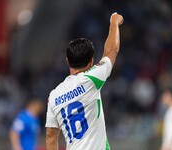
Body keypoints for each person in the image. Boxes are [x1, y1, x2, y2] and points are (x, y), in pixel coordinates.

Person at [45, 12, 123, 150]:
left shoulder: (54, 95)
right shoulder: (91, 80)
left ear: (67, 61)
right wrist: (114, 22)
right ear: (91, 62)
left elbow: (51, 137)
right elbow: (112, 50)